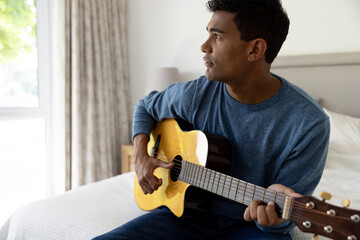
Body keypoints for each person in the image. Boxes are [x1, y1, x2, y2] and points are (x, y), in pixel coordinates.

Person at [94, 0, 330, 239]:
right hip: (185, 217)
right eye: (208, 34)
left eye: (217, 36)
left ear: (255, 50)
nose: (204, 46)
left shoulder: (309, 124)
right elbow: (145, 107)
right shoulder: (198, 92)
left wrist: (275, 218)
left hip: (250, 229)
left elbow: (284, 220)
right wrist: (141, 155)